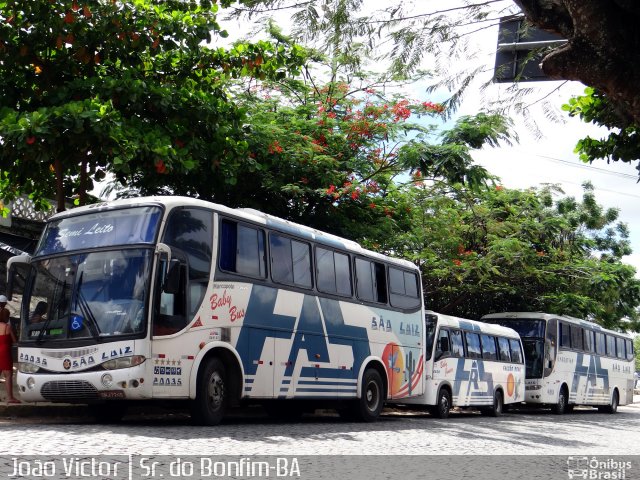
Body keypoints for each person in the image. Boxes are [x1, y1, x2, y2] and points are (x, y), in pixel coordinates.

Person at [0, 295, 19, 404]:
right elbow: (14, 340)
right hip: (5, 352)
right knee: (8, 375)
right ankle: (10, 397)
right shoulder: (7, 327)